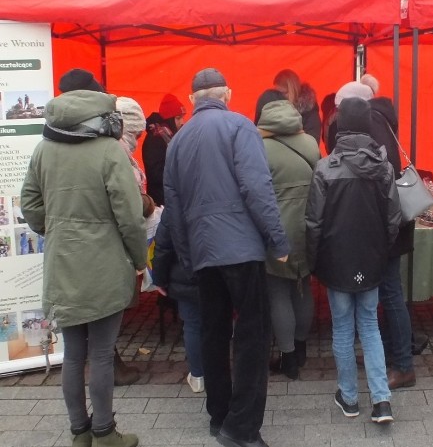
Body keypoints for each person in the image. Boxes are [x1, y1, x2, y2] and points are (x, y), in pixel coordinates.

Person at [163, 68, 289, 447]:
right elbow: (257, 186)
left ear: (192, 99)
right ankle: (243, 428)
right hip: (242, 249)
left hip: (203, 251)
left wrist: (187, 255)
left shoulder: (178, 139)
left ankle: (219, 417)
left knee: (213, 333)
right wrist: (278, 240)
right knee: (252, 336)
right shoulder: (239, 126)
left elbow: (173, 206)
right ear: (228, 94)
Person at [21, 89, 146, 447]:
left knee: (73, 355)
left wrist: (54, 227)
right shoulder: (109, 151)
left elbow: (29, 202)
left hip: (63, 263)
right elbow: (130, 216)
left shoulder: (44, 148)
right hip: (106, 264)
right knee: (102, 353)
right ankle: (105, 431)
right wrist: (139, 260)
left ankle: (80, 432)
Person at [306, 97, 401, 425]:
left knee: (343, 328)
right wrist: (380, 251)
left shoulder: (325, 167)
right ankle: (381, 400)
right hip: (371, 260)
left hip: (337, 261)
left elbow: (313, 223)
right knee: (371, 326)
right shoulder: (384, 167)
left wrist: (314, 261)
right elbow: (393, 219)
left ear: (339, 126)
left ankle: (348, 397)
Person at [325, 80, 419, 390]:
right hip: (385, 224)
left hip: (382, 225)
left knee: (390, 295)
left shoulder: (372, 124)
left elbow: (380, 174)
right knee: (388, 293)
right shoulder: (383, 120)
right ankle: (393, 355)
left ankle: (403, 364)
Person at [255, 90, 320, 380]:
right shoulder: (310, 142)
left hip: (275, 230)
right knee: (303, 286)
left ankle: (288, 357)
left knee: (278, 292)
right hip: (307, 227)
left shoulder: (258, 147)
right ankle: (303, 347)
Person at [151, 208, 204, 393]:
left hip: (185, 274)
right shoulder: (221, 192)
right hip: (214, 272)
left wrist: (159, 278)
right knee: (217, 324)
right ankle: (216, 372)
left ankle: (198, 375)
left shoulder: (176, 201)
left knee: (192, 325)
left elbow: (163, 246)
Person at [142, 94, 186, 206]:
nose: (182, 122)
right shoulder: (155, 138)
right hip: (162, 201)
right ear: (169, 119)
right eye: (178, 118)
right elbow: (155, 173)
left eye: (182, 117)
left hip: (170, 197)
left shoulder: (170, 136)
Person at [270, 69, 322, 142]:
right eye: (277, 93)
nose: (280, 97)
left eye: (284, 93)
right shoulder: (275, 109)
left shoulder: (309, 111)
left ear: (292, 90)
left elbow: (313, 141)